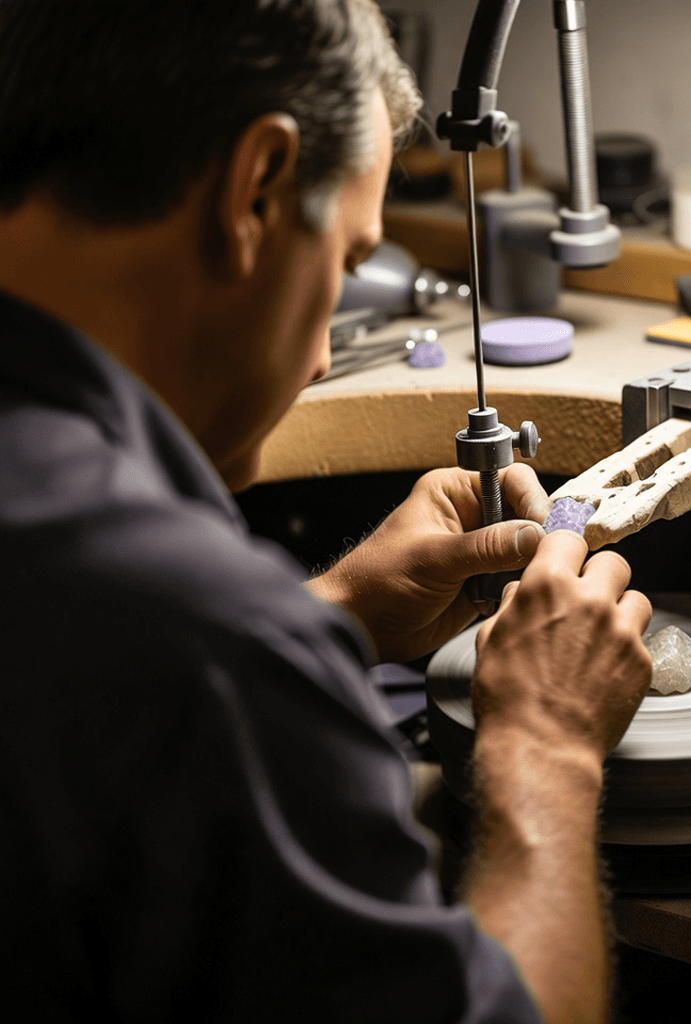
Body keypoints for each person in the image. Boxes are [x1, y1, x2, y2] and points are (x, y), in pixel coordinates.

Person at [0, 1, 653, 1021]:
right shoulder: (208, 646)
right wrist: (546, 743)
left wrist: (337, 611)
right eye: (349, 263)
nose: (320, 358)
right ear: (255, 192)